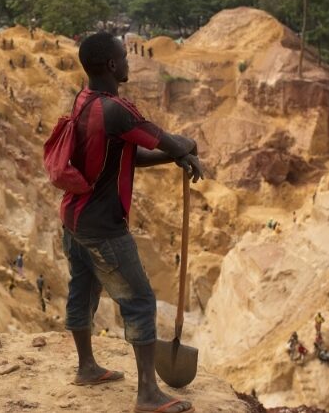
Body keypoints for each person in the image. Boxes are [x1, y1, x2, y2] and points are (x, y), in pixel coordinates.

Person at [57, 32, 201, 413]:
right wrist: (187, 149)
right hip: (103, 226)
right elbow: (167, 141)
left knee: (82, 289)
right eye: (124, 56)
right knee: (139, 301)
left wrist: (175, 156)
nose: (128, 61)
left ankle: (86, 367)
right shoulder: (118, 110)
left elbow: (127, 155)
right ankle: (148, 394)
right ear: (111, 65)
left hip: (73, 217)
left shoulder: (84, 101)